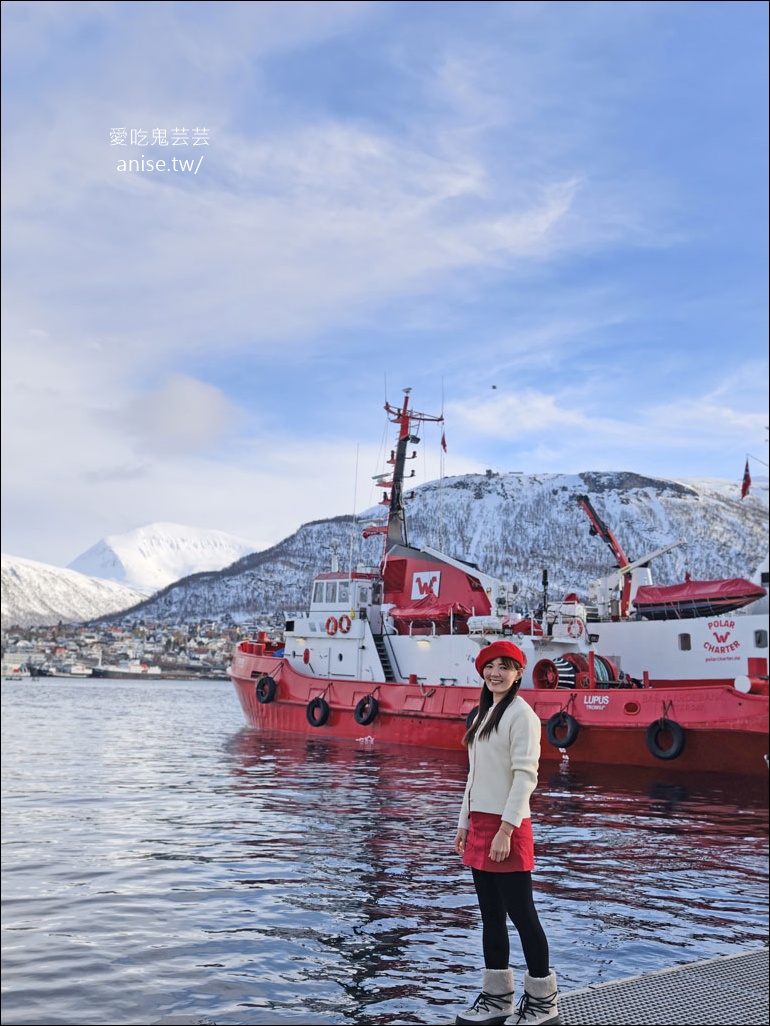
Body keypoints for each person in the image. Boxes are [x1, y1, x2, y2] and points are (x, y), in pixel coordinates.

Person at [454, 641, 560, 1026]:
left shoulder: (521, 715)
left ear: (517, 674)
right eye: (490, 666)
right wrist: (464, 822)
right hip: (481, 824)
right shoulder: (484, 714)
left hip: (507, 827)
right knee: (491, 917)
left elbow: (525, 776)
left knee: (523, 915)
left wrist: (506, 829)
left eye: (504, 667)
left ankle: (543, 1004)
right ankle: (497, 999)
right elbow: (475, 775)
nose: (495, 673)